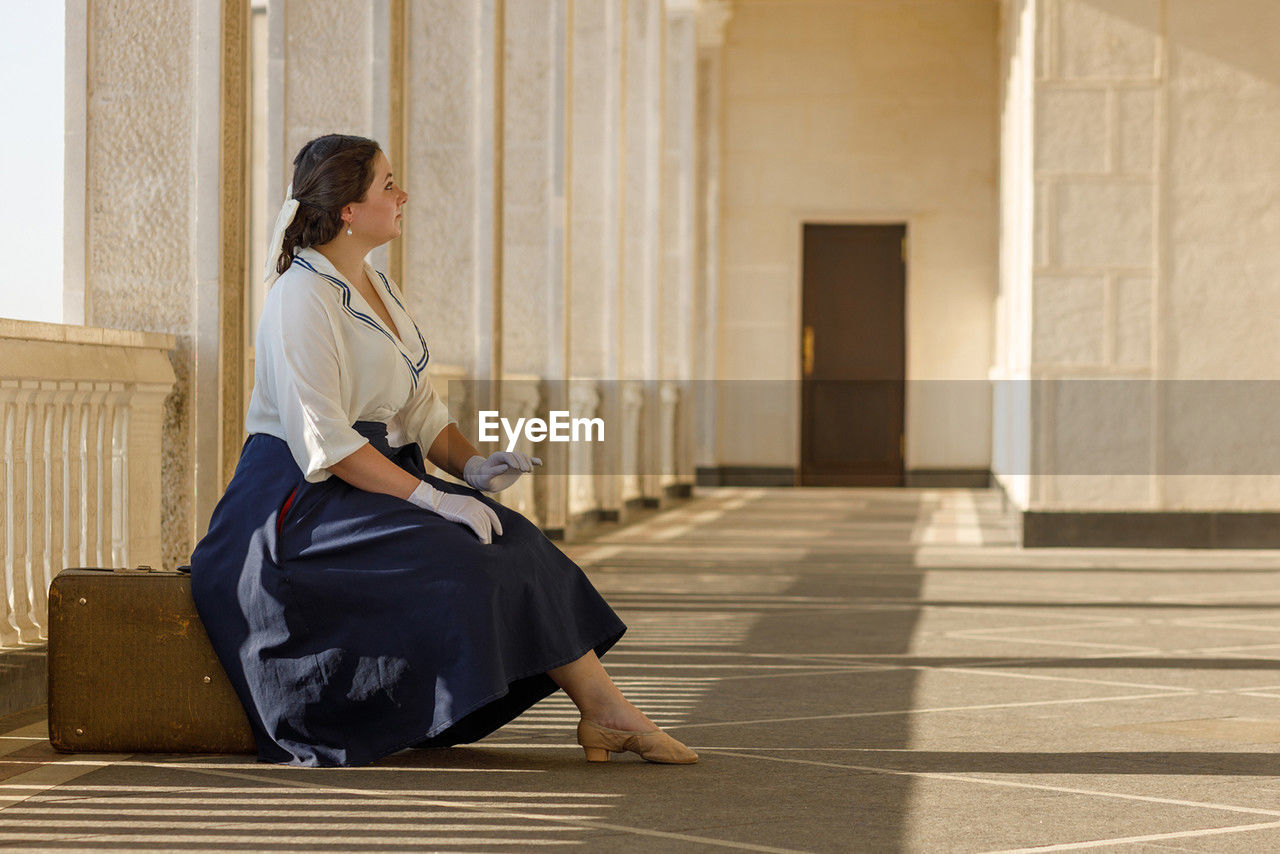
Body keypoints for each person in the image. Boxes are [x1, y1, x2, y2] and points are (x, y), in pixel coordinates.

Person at [187, 133, 697, 768]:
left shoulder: (378, 287)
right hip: (296, 504)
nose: (404, 195)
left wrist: (476, 466)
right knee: (470, 562)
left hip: (370, 480)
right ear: (349, 208)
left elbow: (419, 409)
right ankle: (594, 713)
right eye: (388, 184)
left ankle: (606, 713)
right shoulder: (300, 297)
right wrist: (434, 499)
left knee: (517, 541)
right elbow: (329, 442)